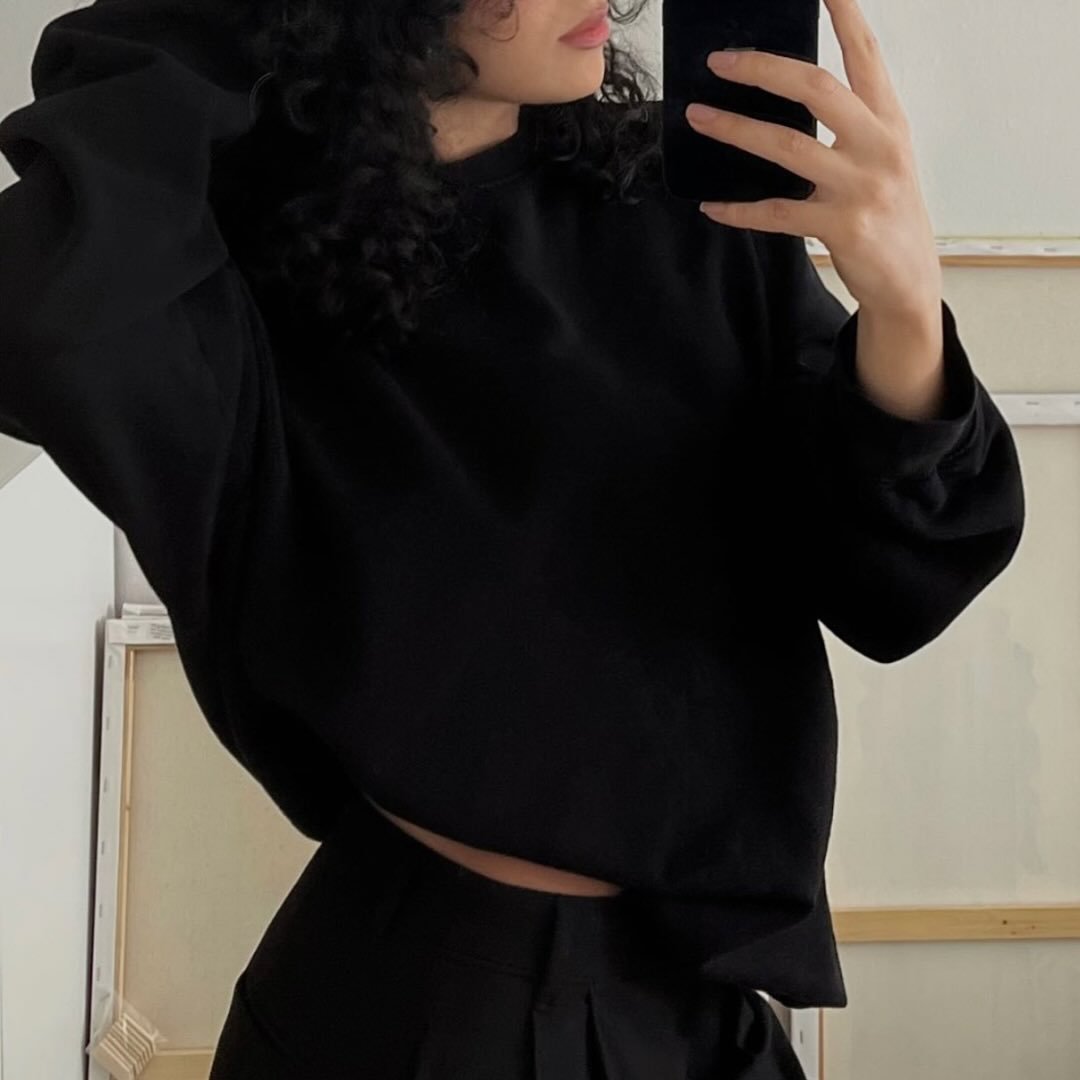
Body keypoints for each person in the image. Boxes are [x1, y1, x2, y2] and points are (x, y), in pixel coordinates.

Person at [0, 0, 1025, 1076]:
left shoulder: (677, 194)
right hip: (430, 1013)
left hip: (701, 1004)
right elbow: (46, 317)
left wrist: (905, 307)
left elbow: (898, 586)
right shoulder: (233, 261)